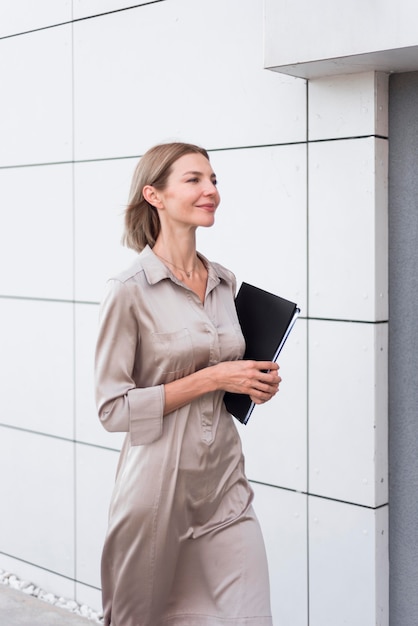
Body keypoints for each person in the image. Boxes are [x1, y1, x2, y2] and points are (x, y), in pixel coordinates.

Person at [94, 142, 281, 626]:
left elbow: (228, 373)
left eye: (214, 179)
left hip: (223, 483)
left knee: (250, 616)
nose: (210, 190)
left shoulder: (224, 281)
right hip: (156, 490)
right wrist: (213, 376)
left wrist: (252, 382)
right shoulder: (128, 292)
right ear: (154, 195)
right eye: (194, 179)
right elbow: (113, 410)